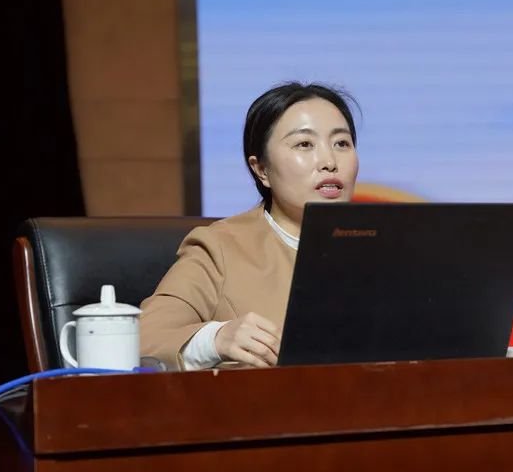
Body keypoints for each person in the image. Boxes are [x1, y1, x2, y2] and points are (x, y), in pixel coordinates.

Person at [139, 82, 360, 370]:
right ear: (261, 169)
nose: (329, 162)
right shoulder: (220, 248)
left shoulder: (392, 247)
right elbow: (145, 338)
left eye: (341, 143)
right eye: (304, 144)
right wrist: (216, 339)